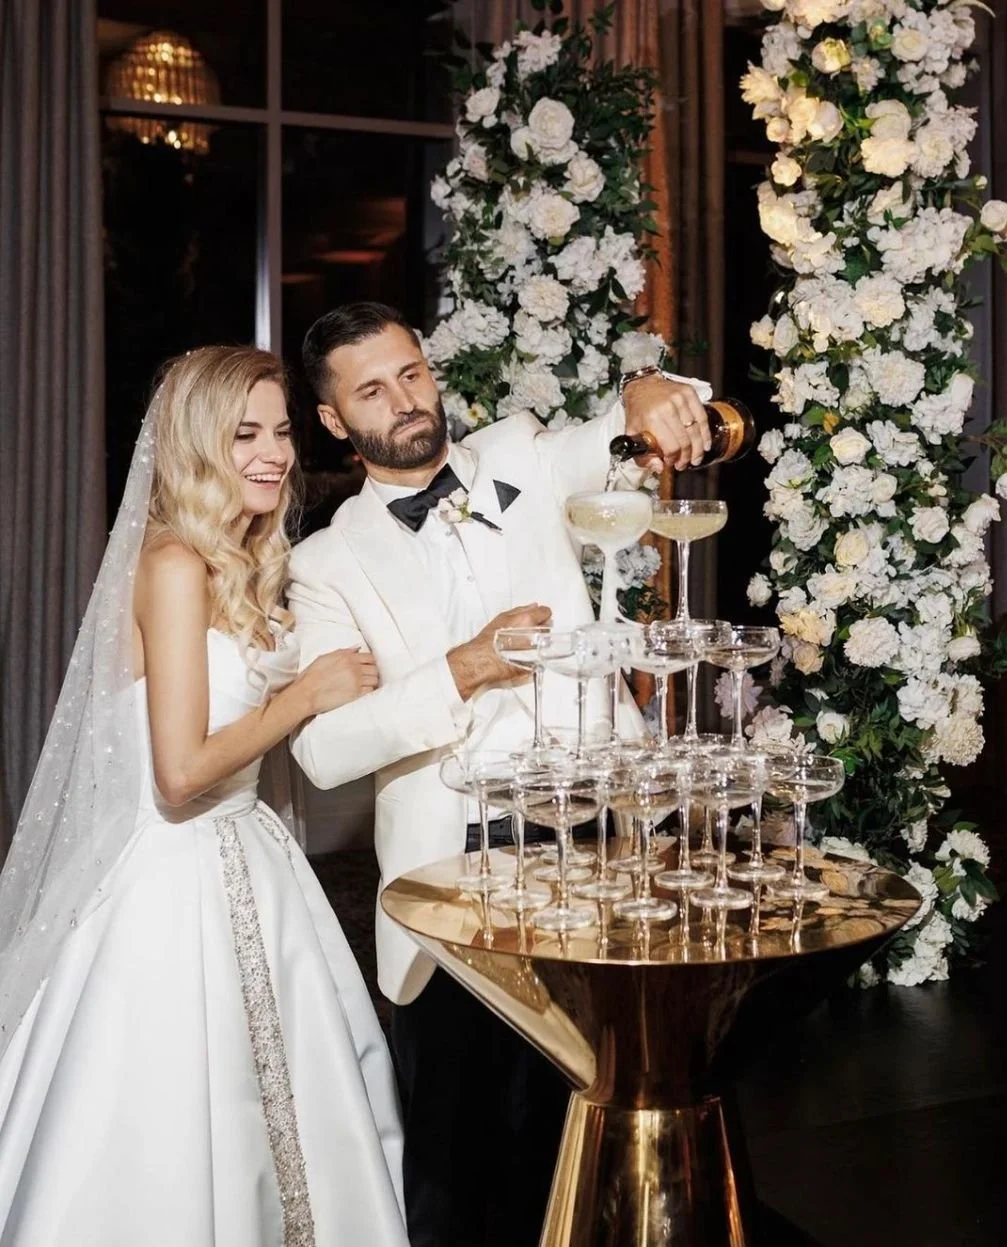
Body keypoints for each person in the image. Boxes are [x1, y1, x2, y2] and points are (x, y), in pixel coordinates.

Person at [288, 301, 713, 1247]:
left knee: (595, 1132)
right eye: (371, 389)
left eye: (410, 372)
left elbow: (614, 430)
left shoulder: (520, 457)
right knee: (453, 1160)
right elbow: (322, 751)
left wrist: (646, 393)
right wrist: (462, 670)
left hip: (599, 846)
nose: (403, 399)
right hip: (454, 879)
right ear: (331, 420)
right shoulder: (325, 566)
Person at [0, 346, 409, 1246]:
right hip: (171, 877)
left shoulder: (247, 561)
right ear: (193, 443)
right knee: (178, 1117)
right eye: (244, 434)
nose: (273, 454)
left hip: (250, 855)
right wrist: (306, 694)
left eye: (281, 432)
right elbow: (180, 774)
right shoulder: (175, 563)